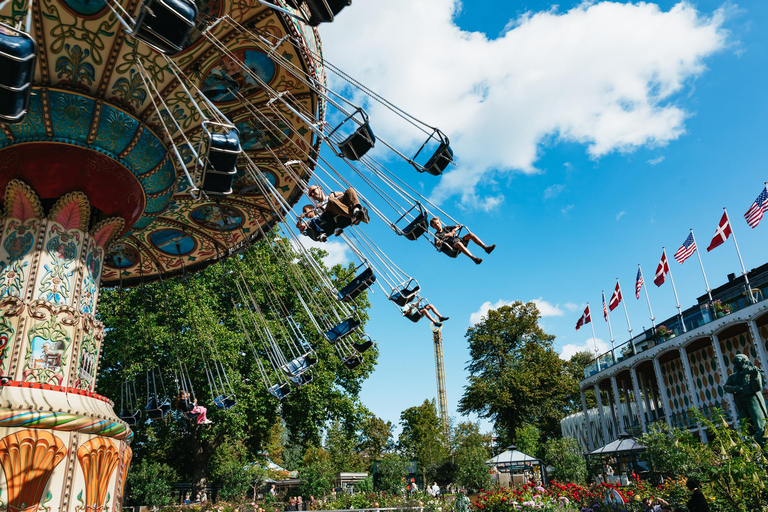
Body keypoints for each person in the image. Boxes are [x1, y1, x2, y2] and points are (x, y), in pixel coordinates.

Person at [723, 353, 767, 445]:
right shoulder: (733, 376)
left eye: (738, 363)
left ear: (745, 362)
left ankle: (764, 443)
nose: (736, 365)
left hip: (753, 401)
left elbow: (757, 388)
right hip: (740, 402)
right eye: (735, 363)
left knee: (759, 423)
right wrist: (733, 388)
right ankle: (751, 444)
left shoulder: (752, 372)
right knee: (746, 426)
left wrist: (754, 376)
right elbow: (726, 386)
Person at [430, 217, 494, 265]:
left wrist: (454, 230)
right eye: (435, 225)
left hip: (458, 240)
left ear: (440, 223)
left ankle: (486, 248)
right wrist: (446, 236)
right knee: (458, 244)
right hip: (452, 249)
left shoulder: (447, 228)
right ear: (433, 227)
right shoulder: (437, 235)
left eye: (438, 223)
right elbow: (437, 244)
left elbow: (458, 226)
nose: (437, 225)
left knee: (470, 235)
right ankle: (474, 258)